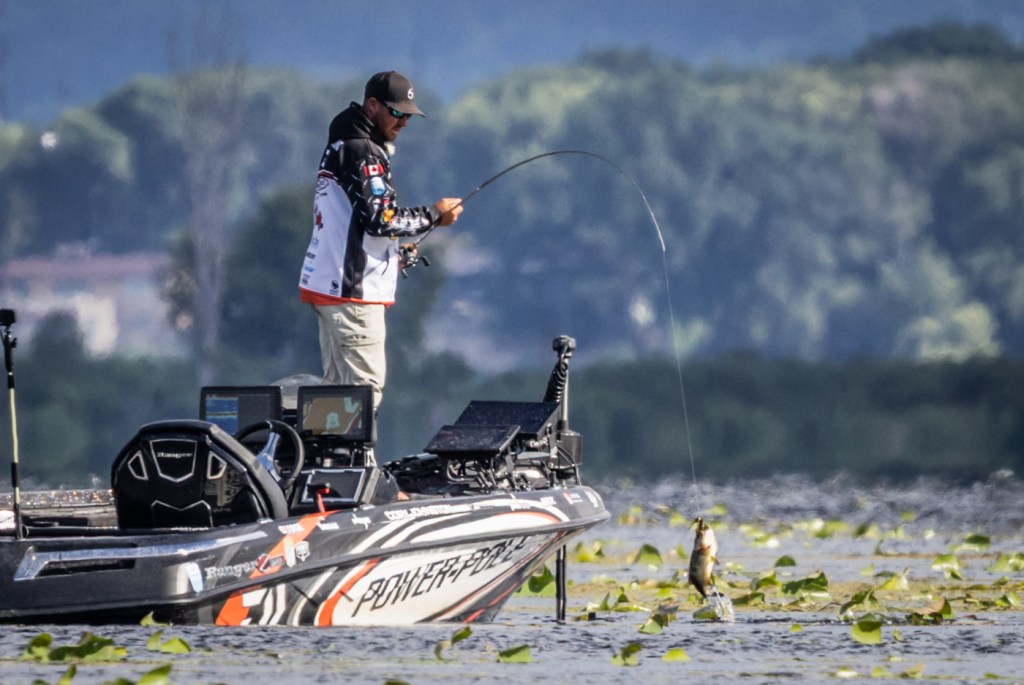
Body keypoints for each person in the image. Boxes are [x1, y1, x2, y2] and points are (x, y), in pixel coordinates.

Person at [298, 70, 463, 413]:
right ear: (372, 106)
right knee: (364, 396)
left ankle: (319, 448)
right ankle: (341, 448)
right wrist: (435, 214)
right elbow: (380, 219)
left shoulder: (345, 143)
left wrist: (392, 256)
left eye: (409, 116)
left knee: (336, 395)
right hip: (352, 295)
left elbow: (354, 223)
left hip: (331, 286)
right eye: (397, 112)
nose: (404, 122)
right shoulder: (364, 152)